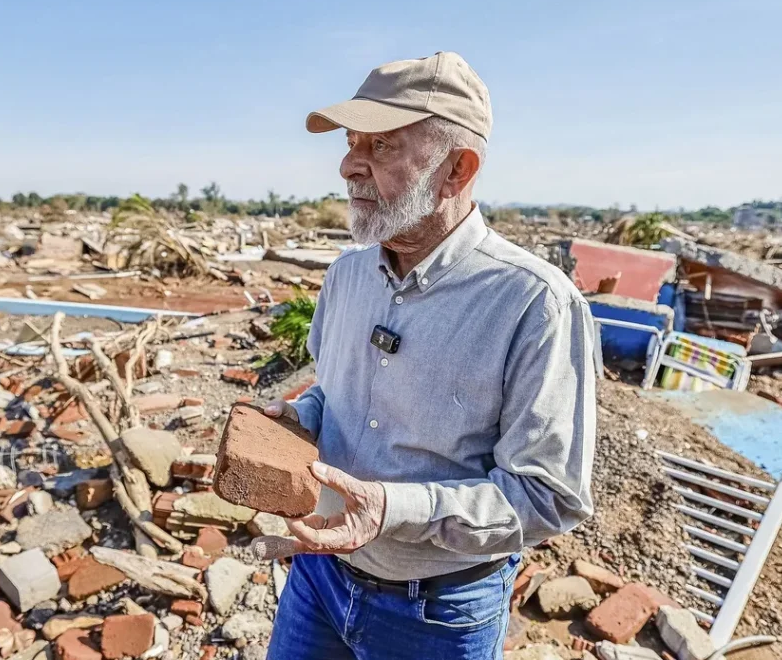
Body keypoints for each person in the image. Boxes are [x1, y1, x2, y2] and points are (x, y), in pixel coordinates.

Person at [253, 52, 596, 660]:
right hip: (319, 577)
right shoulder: (347, 275)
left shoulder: (534, 304)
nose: (347, 165)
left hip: (436, 611)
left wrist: (393, 510)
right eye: (352, 143)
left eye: (381, 146)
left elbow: (548, 496)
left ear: (457, 168)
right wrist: (301, 418)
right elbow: (330, 390)